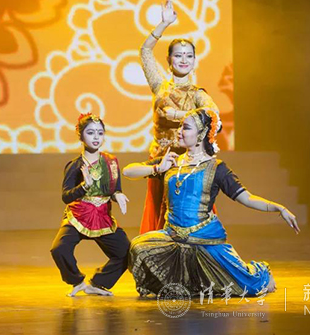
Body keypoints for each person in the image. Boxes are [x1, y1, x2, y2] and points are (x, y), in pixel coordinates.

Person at [124, 108, 300, 297]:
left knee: (248, 285)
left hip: (204, 241)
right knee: (138, 248)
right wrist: (158, 168)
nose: (179, 131)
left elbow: (247, 198)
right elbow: (128, 171)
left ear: (201, 135)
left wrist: (278, 208)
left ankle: (254, 276)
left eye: (186, 127)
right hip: (172, 237)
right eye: (180, 126)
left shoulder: (216, 168)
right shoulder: (171, 162)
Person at [139, 0, 219, 234]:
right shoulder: (159, 87)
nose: (184, 60)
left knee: (188, 220)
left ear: (194, 61)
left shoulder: (197, 94)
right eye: (178, 56)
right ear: (169, 60)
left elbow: (213, 117)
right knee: (161, 219)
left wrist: (179, 114)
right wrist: (164, 24)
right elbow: (145, 51)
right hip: (162, 162)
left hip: (188, 165)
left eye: (189, 56)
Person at [50, 113, 131, 297]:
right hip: (78, 215)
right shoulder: (75, 166)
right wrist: (83, 186)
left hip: (102, 216)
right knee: (59, 249)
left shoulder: (111, 163)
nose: (96, 137)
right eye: (90, 132)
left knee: (127, 252)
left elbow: (115, 189)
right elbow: (66, 196)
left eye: (100, 133)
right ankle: (77, 281)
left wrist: (117, 195)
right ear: (80, 136)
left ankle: (99, 283)